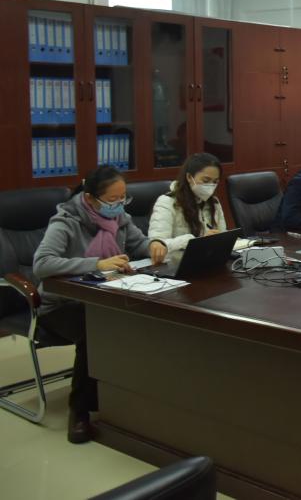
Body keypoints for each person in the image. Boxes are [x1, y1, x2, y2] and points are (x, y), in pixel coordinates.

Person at [33, 165, 167, 443]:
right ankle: (80, 411)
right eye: (112, 200)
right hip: (60, 305)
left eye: (123, 198)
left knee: (139, 317)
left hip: (104, 296)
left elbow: (139, 244)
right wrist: (96, 264)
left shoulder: (119, 217)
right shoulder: (66, 221)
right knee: (96, 327)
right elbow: (42, 264)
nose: (119, 205)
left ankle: (128, 396)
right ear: (90, 198)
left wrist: (155, 245)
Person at [148, 153, 227, 253]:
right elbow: (158, 244)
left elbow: (223, 234)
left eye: (215, 182)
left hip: (208, 258)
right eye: (206, 180)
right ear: (189, 177)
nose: (210, 186)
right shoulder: (167, 202)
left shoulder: (214, 202)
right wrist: (198, 241)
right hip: (176, 261)